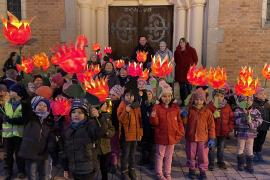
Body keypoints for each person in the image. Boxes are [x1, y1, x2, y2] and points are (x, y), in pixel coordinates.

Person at [61, 99, 107, 180]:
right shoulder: (68, 129)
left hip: (87, 169)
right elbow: (65, 151)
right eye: (74, 112)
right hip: (74, 169)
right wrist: (65, 168)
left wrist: (99, 117)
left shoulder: (90, 125)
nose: (76, 114)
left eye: (80, 112)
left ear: (85, 115)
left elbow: (100, 131)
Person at [150, 82, 184, 180]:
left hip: (172, 136)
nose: (167, 98)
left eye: (169, 96)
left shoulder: (175, 108)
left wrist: (180, 132)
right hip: (161, 136)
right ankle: (159, 173)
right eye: (164, 96)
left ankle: (167, 172)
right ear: (160, 97)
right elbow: (154, 123)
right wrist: (153, 115)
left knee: (169, 156)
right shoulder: (157, 108)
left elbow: (179, 122)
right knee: (160, 155)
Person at [19, 96, 54, 180]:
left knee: (44, 175)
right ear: (34, 106)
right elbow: (26, 107)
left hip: (44, 154)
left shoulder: (49, 121)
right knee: (32, 176)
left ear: (48, 109)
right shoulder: (30, 118)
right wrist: (29, 95)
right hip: (30, 154)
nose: (42, 107)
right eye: (39, 105)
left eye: (45, 106)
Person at [185, 88, 215, 180]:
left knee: (203, 156)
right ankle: (192, 170)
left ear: (204, 101)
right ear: (193, 100)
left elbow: (211, 126)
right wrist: (183, 116)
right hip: (191, 138)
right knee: (191, 154)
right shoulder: (190, 111)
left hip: (203, 138)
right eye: (197, 99)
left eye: (201, 100)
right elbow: (184, 123)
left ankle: (202, 171)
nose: (199, 102)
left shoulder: (207, 112)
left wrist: (212, 138)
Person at [3, 84, 28, 179]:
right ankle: (8, 172)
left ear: (18, 93)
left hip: (19, 134)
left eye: (12, 91)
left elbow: (24, 119)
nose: (9, 92)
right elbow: (5, 116)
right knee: (8, 154)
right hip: (8, 133)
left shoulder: (24, 104)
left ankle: (21, 171)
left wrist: (10, 120)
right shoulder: (7, 103)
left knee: (19, 154)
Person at [117, 89, 143, 180]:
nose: (130, 97)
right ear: (124, 97)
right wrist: (126, 111)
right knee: (125, 154)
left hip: (135, 135)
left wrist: (140, 133)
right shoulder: (122, 105)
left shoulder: (136, 106)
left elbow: (140, 120)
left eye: (131, 96)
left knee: (132, 154)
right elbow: (120, 119)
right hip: (126, 135)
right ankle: (124, 171)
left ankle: (132, 169)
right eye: (127, 95)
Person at [207, 89, 234, 170]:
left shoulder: (227, 106)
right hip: (213, 132)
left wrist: (229, 128)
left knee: (221, 148)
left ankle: (220, 161)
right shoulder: (210, 106)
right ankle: (211, 163)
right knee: (212, 148)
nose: (219, 98)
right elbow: (206, 119)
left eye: (221, 96)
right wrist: (213, 116)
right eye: (217, 96)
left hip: (223, 132)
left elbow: (231, 118)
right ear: (213, 96)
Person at [234, 95, 262, 173]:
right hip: (241, 133)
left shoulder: (255, 111)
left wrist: (252, 123)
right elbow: (236, 121)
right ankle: (241, 164)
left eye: (250, 100)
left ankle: (249, 165)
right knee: (240, 148)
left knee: (249, 148)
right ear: (241, 101)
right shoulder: (238, 110)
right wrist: (244, 118)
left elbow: (260, 120)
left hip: (251, 133)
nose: (248, 102)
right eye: (245, 100)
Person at [174, 38, 198, 106]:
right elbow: (176, 60)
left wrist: (192, 67)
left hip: (188, 72)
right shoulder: (177, 51)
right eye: (180, 42)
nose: (181, 44)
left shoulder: (191, 50)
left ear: (185, 43)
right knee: (181, 88)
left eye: (183, 42)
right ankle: (183, 102)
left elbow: (195, 60)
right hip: (180, 72)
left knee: (189, 88)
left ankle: (189, 102)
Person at [96, 102, 115, 180]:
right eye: (104, 105)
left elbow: (112, 129)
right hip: (96, 147)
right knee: (95, 167)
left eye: (106, 105)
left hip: (106, 147)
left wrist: (108, 133)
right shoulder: (93, 116)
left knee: (104, 168)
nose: (106, 106)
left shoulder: (107, 116)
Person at [109, 85, 124, 173]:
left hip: (116, 128)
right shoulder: (109, 103)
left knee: (115, 146)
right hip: (110, 127)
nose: (111, 96)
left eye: (113, 95)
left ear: (118, 96)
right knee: (111, 145)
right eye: (110, 94)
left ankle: (114, 163)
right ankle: (112, 161)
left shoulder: (119, 104)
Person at [253, 88, 270, 162]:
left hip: (265, 126)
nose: (263, 95)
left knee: (261, 140)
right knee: (255, 140)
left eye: (264, 94)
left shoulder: (267, 104)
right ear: (256, 95)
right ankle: (253, 153)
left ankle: (259, 152)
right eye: (261, 94)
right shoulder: (254, 104)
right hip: (257, 126)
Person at [140, 85, 156, 168]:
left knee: (152, 146)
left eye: (150, 94)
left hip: (152, 129)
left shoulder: (155, 106)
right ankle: (144, 159)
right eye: (146, 94)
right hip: (144, 128)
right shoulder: (142, 105)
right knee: (144, 145)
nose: (148, 95)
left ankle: (152, 161)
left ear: (152, 95)